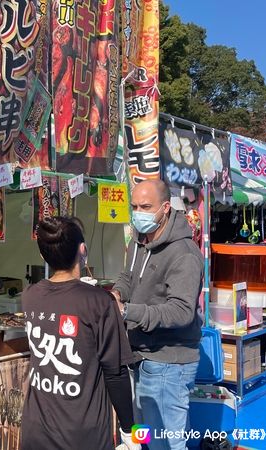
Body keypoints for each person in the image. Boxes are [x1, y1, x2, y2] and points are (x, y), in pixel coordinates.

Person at [21, 216, 140, 450]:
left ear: (43, 256)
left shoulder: (29, 295)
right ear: (82, 249)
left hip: (35, 429)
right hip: (83, 433)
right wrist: (131, 431)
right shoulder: (99, 302)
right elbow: (115, 374)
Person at [111, 179, 204, 450]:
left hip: (168, 365)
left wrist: (128, 311)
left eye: (146, 206)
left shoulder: (184, 253)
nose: (138, 212)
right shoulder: (138, 242)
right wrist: (116, 294)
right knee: (145, 440)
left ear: (165, 208)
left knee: (167, 443)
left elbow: (182, 311)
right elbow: (128, 278)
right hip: (139, 358)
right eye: (135, 206)